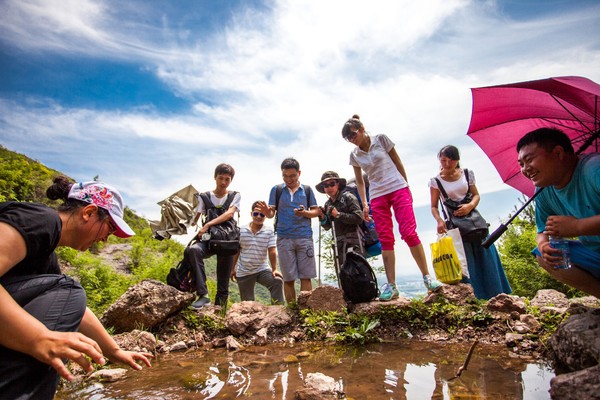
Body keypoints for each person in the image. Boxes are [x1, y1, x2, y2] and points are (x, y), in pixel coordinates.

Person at [0, 176, 152, 400]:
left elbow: (73, 309)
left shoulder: (46, 255)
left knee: (68, 294)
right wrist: (38, 338)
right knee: (69, 292)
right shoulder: (41, 220)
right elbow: (69, 296)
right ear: (89, 213)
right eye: (109, 228)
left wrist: (114, 351)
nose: (105, 240)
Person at [341, 114, 443, 301]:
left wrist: (406, 185)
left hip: (397, 187)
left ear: (362, 129)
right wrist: (364, 203)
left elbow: (398, 161)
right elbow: (360, 182)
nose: (352, 140)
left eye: (353, 134)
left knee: (408, 232)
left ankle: (427, 277)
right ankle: (392, 286)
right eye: (348, 138)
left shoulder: (381, 139)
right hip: (377, 195)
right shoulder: (354, 155)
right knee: (386, 239)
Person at [516, 127, 600, 298]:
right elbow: (542, 232)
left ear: (558, 153)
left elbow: (577, 228)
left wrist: (578, 226)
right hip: (595, 254)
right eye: (521, 164)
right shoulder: (544, 190)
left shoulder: (594, 169)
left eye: (529, 160)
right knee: (542, 254)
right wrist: (543, 245)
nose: (525, 169)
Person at [429, 145, 512, 299]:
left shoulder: (467, 174)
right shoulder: (436, 181)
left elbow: (476, 195)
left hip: (474, 221)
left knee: (486, 255)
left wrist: (469, 206)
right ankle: (473, 296)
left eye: (450, 160)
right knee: (464, 260)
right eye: (443, 161)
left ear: (457, 160)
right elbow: (434, 206)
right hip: (455, 226)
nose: (446, 164)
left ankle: (497, 293)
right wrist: (439, 220)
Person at [257, 157, 319, 303]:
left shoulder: (307, 190)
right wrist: (267, 213)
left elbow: (315, 212)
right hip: (284, 238)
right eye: (285, 176)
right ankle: (292, 311)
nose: (288, 179)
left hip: (304, 237)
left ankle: (305, 311)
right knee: (288, 277)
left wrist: (304, 213)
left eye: (292, 176)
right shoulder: (277, 190)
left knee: (305, 276)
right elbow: (272, 213)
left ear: (299, 173)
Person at [187, 163, 241, 309]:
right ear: (215, 177)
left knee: (223, 283)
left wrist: (208, 224)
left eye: (227, 179)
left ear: (231, 180)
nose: (223, 182)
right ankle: (203, 295)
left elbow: (230, 214)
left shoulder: (235, 195)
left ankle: (220, 315)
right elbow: (194, 220)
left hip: (227, 241)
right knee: (193, 250)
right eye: (220, 178)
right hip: (209, 240)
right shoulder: (203, 197)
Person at [231, 201, 284, 304]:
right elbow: (236, 251)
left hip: (262, 270)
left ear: (265, 216)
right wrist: (232, 269)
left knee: (277, 282)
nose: (258, 217)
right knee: (248, 304)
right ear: (251, 214)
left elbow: (272, 250)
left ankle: (278, 312)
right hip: (244, 272)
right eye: (256, 214)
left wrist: (274, 269)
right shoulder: (240, 230)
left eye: (262, 214)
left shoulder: (269, 231)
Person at [316, 171, 364, 268]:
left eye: (332, 184)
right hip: (338, 246)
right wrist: (322, 217)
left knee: (357, 275)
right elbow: (328, 226)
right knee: (342, 276)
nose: (329, 188)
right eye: (326, 185)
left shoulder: (348, 197)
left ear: (338, 184)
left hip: (354, 243)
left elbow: (359, 218)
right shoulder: (328, 204)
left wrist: (338, 214)